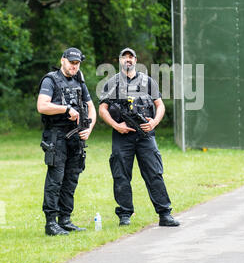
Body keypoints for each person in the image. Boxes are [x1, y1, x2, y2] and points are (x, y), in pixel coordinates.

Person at [99, 47, 180, 227]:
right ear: (119, 60)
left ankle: (164, 214)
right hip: (122, 136)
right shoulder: (112, 83)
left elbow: (160, 106)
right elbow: (102, 109)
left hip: (146, 135)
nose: (128, 60)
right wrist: (116, 125)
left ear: (136, 60)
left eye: (131, 57)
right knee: (121, 175)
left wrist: (154, 122)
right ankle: (125, 215)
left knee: (154, 173)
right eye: (124, 57)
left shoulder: (148, 81)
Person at [37, 47, 96, 236]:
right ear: (62, 60)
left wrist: (89, 128)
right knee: (56, 180)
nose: (74, 66)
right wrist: (65, 110)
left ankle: (65, 219)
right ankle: (51, 223)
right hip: (57, 136)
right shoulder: (50, 80)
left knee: (71, 179)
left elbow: (91, 108)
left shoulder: (80, 81)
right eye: (71, 62)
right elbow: (42, 106)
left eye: (77, 63)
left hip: (76, 137)